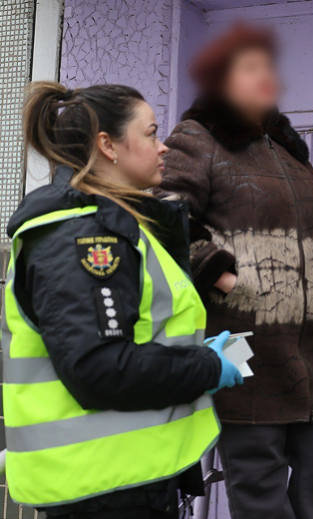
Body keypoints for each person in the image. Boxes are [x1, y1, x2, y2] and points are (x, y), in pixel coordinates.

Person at [4, 81, 243, 518]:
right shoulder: (85, 237)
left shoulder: (115, 226)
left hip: (123, 483)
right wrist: (206, 367)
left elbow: (128, 337)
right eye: (151, 134)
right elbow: (99, 368)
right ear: (107, 146)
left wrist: (194, 353)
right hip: (102, 490)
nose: (163, 147)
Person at [155, 24, 313, 519]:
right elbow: (161, 218)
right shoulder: (196, 139)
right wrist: (219, 273)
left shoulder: (288, 149)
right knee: (261, 503)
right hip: (244, 353)